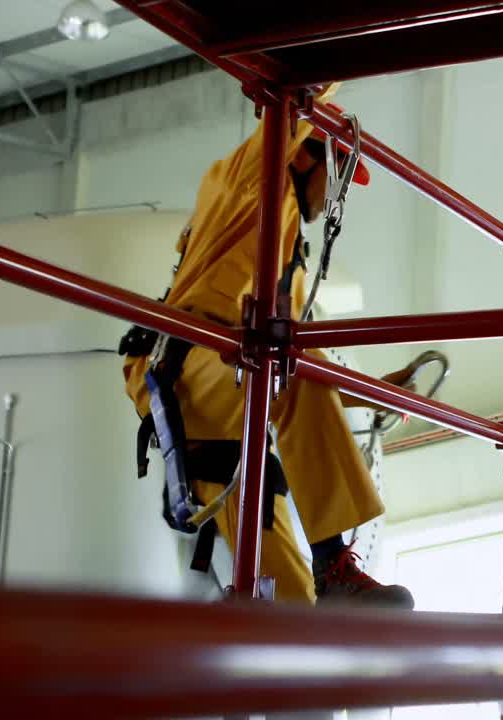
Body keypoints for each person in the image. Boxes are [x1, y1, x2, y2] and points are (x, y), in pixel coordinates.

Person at [120, 95, 415, 608]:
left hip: (233, 411)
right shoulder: (248, 187)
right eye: (340, 169)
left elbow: (306, 382)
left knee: (295, 608)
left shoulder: (289, 258)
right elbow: (294, 103)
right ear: (304, 154)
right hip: (187, 371)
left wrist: (370, 393)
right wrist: (328, 56)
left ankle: (328, 577)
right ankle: (333, 565)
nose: (340, 189)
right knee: (285, 362)